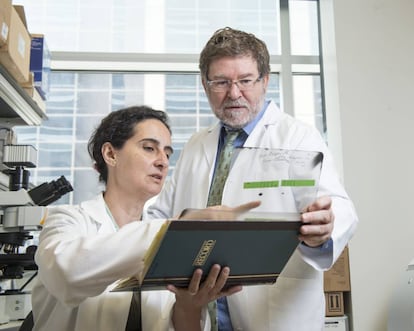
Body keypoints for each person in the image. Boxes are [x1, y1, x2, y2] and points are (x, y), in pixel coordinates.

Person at [147, 27, 359, 331]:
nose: (234, 93)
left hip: (275, 315)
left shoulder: (297, 137)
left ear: (265, 81)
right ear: (205, 86)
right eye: (221, 82)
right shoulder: (197, 145)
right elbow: (162, 216)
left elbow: (339, 207)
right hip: (199, 318)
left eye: (245, 80)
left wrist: (324, 227)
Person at [30, 105, 252, 331]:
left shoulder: (163, 237)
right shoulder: (67, 221)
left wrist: (188, 305)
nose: (163, 162)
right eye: (149, 148)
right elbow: (67, 274)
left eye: (167, 153)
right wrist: (175, 229)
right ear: (110, 154)